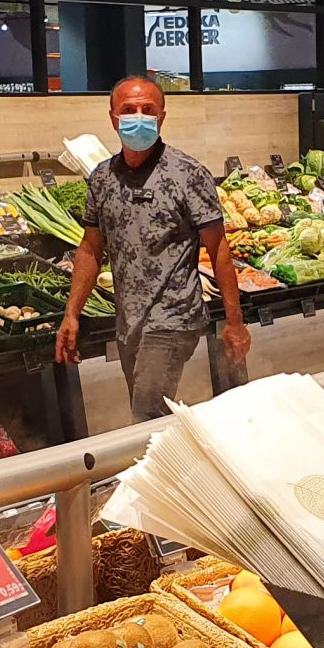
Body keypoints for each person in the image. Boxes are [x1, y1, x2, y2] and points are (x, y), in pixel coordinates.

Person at [54, 75, 252, 419]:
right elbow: (90, 249)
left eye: (148, 110)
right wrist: (71, 313)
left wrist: (234, 322)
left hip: (174, 318)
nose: (139, 117)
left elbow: (219, 249)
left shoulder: (188, 173)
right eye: (129, 110)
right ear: (113, 118)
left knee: (146, 414)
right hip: (128, 320)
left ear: (162, 117)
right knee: (149, 416)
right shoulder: (102, 178)